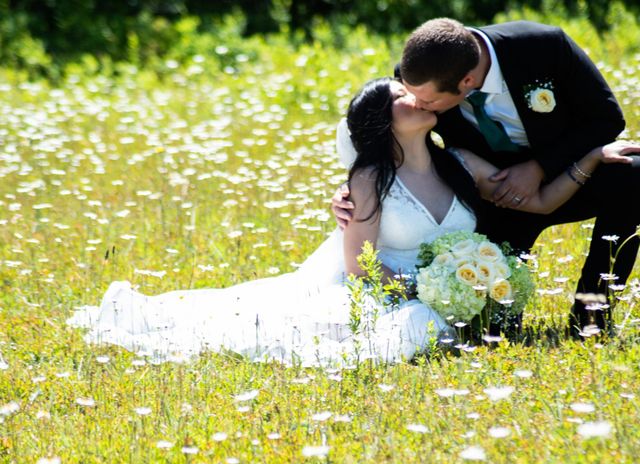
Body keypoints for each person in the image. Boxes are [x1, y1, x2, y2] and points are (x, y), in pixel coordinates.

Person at [67, 78, 637, 365]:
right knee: (401, 327)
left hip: (442, 292)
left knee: (434, 323)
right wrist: (426, 292)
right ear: (382, 121)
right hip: (381, 292)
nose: (415, 98)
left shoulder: (460, 162)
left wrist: (590, 159)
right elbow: (358, 269)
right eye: (400, 97)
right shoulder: (369, 181)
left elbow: (535, 203)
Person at [332, 18, 640, 337]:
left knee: (633, 173)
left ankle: (592, 313)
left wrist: (540, 167)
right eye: (414, 99)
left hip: (564, 176)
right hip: (494, 195)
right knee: (494, 328)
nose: (419, 104)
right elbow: (380, 132)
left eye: (429, 102)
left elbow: (606, 118)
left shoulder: (542, 45)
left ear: (467, 82)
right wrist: (355, 190)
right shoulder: (420, 79)